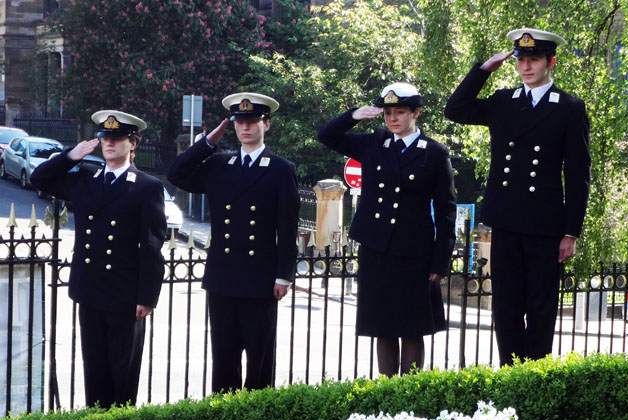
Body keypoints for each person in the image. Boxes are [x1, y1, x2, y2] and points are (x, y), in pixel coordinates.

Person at [444, 28, 591, 366]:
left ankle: (534, 377)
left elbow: (578, 173)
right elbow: (456, 109)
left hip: (546, 225)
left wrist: (572, 231)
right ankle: (510, 375)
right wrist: (483, 71)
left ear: (550, 62)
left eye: (534, 60)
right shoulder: (503, 102)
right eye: (521, 60)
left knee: (540, 308)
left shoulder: (569, 108)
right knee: (506, 306)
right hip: (506, 220)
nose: (526, 67)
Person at [318, 83, 457, 376]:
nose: (393, 118)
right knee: (382, 326)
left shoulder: (433, 153)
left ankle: (409, 392)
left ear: (415, 113)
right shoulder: (374, 143)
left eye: (400, 112)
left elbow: (446, 212)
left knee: (412, 327)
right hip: (376, 248)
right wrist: (354, 114)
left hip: (414, 252)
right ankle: (386, 389)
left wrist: (440, 260)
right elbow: (327, 135)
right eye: (388, 113)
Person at [31, 110, 166, 408]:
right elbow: (39, 177)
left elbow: (152, 246)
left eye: (117, 139)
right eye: (105, 138)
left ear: (133, 144)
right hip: (89, 290)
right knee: (94, 370)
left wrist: (147, 297)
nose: (109, 144)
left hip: (125, 295)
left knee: (122, 374)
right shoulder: (86, 177)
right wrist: (70, 156)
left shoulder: (146, 186)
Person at [167, 92, 299, 393]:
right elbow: (177, 174)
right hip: (223, 276)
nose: (246, 128)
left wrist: (284, 275)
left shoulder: (280, 169)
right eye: (240, 122)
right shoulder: (219, 164)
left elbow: (287, 229)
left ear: (266, 124)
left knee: (259, 360)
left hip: (261, 278)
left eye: (253, 121)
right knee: (224, 358)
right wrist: (206, 143)